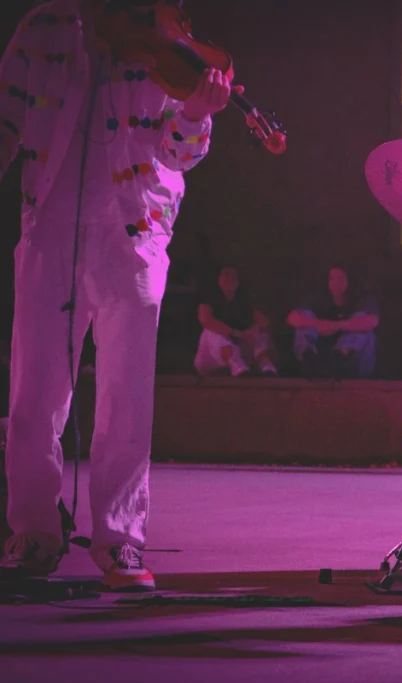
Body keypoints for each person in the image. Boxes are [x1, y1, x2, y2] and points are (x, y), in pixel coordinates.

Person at [0, 0, 232, 589]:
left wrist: (199, 115)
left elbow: (178, 153)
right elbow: (6, 117)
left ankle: (120, 540)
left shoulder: (168, 40)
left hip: (136, 227)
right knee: (35, 392)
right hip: (49, 221)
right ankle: (32, 531)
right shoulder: (46, 26)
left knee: (126, 394)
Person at [287, 267, 379, 379]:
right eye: (332, 279)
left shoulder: (361, 300)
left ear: (349, 281)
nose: (336, 283)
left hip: (355, 365)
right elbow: (292, 317)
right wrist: (318, 324)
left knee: (363, 327)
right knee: (305, 319)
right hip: (321, 362)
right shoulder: (318, 299)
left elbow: (372, 321)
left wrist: (336, 325)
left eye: (340, 278)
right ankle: (308, 357)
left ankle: (339, 357)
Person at [194, 266, 277, 377]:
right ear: (219, 279)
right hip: (211, 358)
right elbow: (205, 319)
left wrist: (251, 332)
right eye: (226, 275)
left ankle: (265, 365)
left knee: (260, 333)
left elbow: (264, 322)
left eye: (234, 276)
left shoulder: (243, 300)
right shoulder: (210, 297)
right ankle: (235, 363)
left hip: (241, 350)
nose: (230, 279)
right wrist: (234, 333)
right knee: (212, 333)